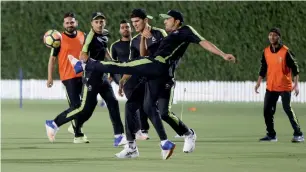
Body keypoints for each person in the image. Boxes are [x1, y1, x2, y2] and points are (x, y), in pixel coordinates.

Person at [76, 10, 236, 159]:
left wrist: (223, 54)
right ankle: (134, 147)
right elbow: (146, 55)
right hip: (152, 71)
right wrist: (143, 40)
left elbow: (203, 42)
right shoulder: (164, 38)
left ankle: (187, 134)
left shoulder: (181, 31)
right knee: (133, 104)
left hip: (164, 74)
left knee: (164, 112)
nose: (165, 21)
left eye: (168, 19)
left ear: (177, 21)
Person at [45, 12, 126, 147]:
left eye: (101, 21)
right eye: (96, 22)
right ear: (91, 24)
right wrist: (85, 64)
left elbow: (104, 50)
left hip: (102, 76)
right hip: (90, 77)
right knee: (81, 108)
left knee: (112, 102)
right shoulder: (89, 37)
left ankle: (119, 136)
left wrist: (112, 63)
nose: (99, 24)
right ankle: (54, 123)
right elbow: (83, 56)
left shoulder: (103, 35)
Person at [255, 27, 304, 143]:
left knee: (287, 109)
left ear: (279, 37)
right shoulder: (266, 51)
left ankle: (299, 134)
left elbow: (295, 69)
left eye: (275, 35)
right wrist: (258, 82)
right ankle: (271, 135)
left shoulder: (286, 51)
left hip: (284, 86)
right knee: (267, 110)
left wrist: (296, 85)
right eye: (270, 35)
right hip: (271, 86)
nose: (272, 37)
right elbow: (263, 68)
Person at [46, 12, 86, 140]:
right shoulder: (58, 39)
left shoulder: (82, 35)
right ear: (63, 24)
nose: (70, 24)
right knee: (76, 106)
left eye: (72, 22)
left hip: (83, 75)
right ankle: (73, 131)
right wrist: (50, 78)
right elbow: (52, 60)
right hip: (68, 77)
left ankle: (73, 127)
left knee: (86, 105)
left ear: (76, 23)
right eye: (67, 23)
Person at [111, 19, 150, 140]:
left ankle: (143, 129)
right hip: (125, 78)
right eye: (122, 27)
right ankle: (138, 131)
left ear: (131, 29)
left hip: (140, 76)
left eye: (127, 27)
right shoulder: (115, 46)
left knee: (144, 104)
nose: (125, 29)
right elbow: (113, 63)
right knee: (133, 103)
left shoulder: (138, 42)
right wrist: (111, 77)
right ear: (119, 30)